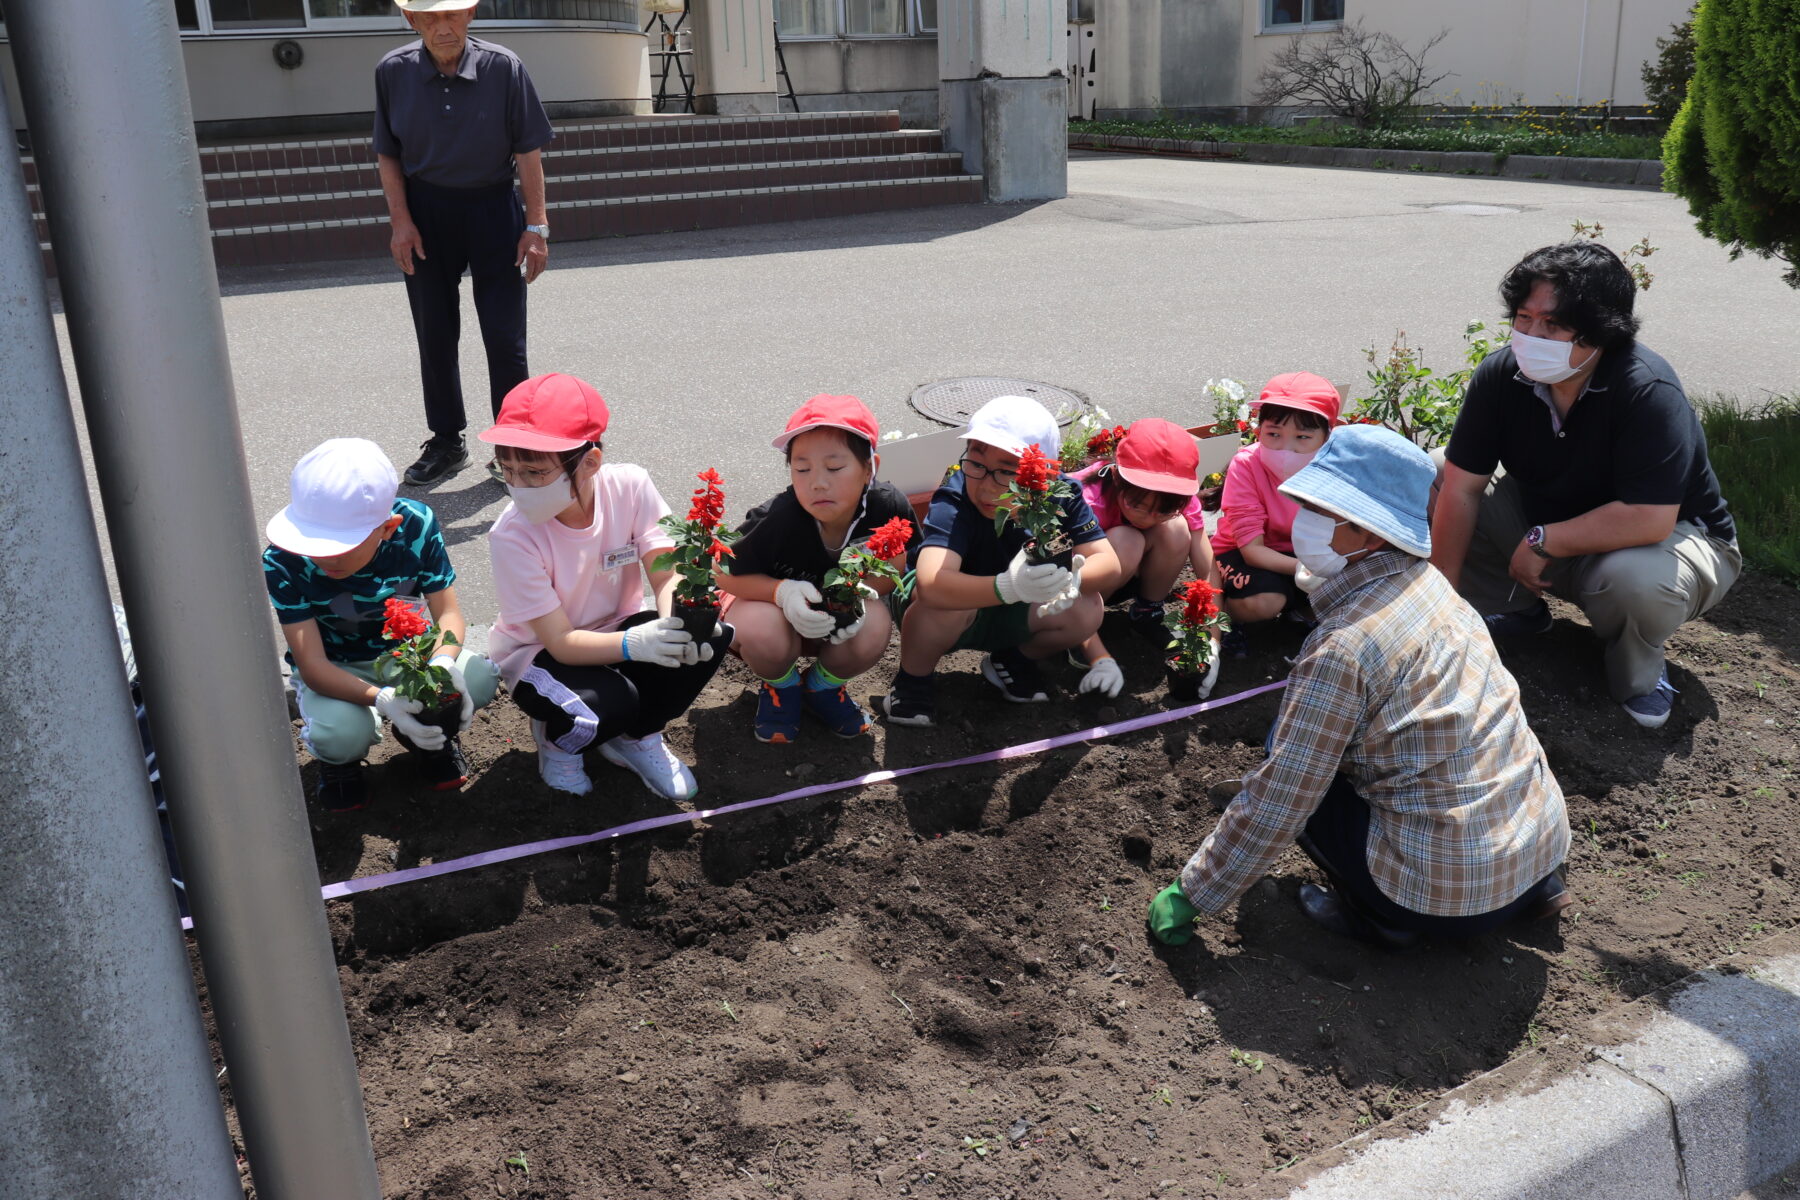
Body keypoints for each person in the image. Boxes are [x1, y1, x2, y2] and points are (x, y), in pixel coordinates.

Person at [1148, 425, 1572, 949]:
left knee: (1294, 759)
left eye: (1319, 512)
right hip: (1536, 843)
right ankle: (1532, 888)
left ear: (1370, 536)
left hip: (1441, 897)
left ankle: (1382, 918)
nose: (1301, 523)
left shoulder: (1345, 649)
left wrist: (1193, 892)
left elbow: (1285, 794)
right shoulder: (1434, 586)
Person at [1432, 241, 1739, 729]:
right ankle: (1512, 610)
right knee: (1436, 475)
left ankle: (1639, 673)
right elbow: (1462, 487)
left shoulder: (1645, 389)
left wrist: (1544, 540)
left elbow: (1650, 516)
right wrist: (1439, 606)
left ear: (1601, 330)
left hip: (1670, 542)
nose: (1532, 335)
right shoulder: (1502, 375)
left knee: (1636, 580)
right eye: (1523, 318)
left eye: (1553, 324)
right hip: (1557, 526)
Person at [482, 373, 733, 800]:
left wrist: (674, 624)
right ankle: (558, 743)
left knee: (709, 637)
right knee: (608, 705)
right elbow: (560, 643)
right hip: (538, 656)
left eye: (534, 472)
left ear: (590, 463)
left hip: (615, 628)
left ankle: (638, 736)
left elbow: (665, 569)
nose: (517, 487)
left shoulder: (630, 486)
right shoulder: (512, 536)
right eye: (507, 470)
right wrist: (636, 644)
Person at [264, 438, 499, 811]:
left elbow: (448, 614)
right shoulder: (283, 561)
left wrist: (441, 663)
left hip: (409, 655)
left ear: (388, 528)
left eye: (339, 547)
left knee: (478, 678)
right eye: (313, 544)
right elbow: (313, 665)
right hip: (335, 665)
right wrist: (382, 699)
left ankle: (428, 739)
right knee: (340, 732)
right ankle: (340, 763)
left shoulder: (417, 527)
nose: (324, 557)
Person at [375, 0, 554, 487]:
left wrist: (535, 226)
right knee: (434, 334)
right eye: (429, 18)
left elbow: (528, 150)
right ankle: (447, 440)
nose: (442, 27)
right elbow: (388, 154)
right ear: (411, 21)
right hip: (425, 211)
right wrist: (401, 223)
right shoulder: (393, 71)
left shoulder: (504, 68)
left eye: (451, 15)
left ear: (470, 15)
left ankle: (514, 443)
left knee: (504, 337)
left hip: (493, 208)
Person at [883, 395, 1122, 727]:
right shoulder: (956, 497)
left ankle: (1010, 661)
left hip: (1013, 604)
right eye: (977, 463)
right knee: (942, 606)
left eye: (1007, 472)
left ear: (1045, 479)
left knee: (1087, 608)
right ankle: (912, 681)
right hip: (946, 607)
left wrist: (1070, 580)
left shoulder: (1062, 497)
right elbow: (931, 584)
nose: (985, 486)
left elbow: (1108, 564)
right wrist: (1008, 586)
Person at [718, 395, 920, 744]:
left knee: (873, 625)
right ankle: (781, 686)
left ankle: (822, 688)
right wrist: (782, 592)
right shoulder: (778, 518)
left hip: (833, 620)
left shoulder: (887, 506)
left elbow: (894, 567)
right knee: (764, 631)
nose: (817, 483)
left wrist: (859, 595)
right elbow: (721, 573)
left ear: (870, 468)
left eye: (834, 467)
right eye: (802, 468)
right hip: (772, 616)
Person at [1068, 418, 1220, 699]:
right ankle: (1081, 632)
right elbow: (1072, 583)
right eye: (1138, 505)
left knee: (1175, 529)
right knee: (1129, 539)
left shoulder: (1175, 498)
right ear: (1116, 477)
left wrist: (1213, 641)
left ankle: (1147, 612)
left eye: (1162, 510)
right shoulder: (1087, 501)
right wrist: (1095, 654)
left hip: (1129, 572)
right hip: (1078, 588)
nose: (1150, 518)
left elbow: (1206, 566)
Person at [1210, 372, 1341, 650]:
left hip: (1301, 552)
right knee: (1265, 602)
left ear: (1327, 436)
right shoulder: (1246, 465)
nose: (1286, 448)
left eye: (1302, 436)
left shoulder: (1336, 467)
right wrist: (1307, 570)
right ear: (1258, 430)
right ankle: (1230, 618)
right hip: (1245, 552)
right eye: (1274, 434)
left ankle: (1300, 614)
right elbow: (1252, 550)